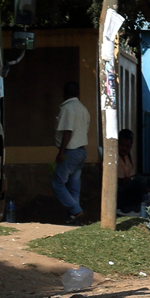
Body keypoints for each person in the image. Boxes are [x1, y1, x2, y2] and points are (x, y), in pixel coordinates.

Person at [52, 80, 90, 223]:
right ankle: (74, 218)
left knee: (58, 184)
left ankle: (76, 211)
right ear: (78, 93)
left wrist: (61, 153)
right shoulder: (83, 108)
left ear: (64, 94)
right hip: (81, 151)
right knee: (74, 186)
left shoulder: (68, 108)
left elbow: (68, 131)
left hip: (70, 151)